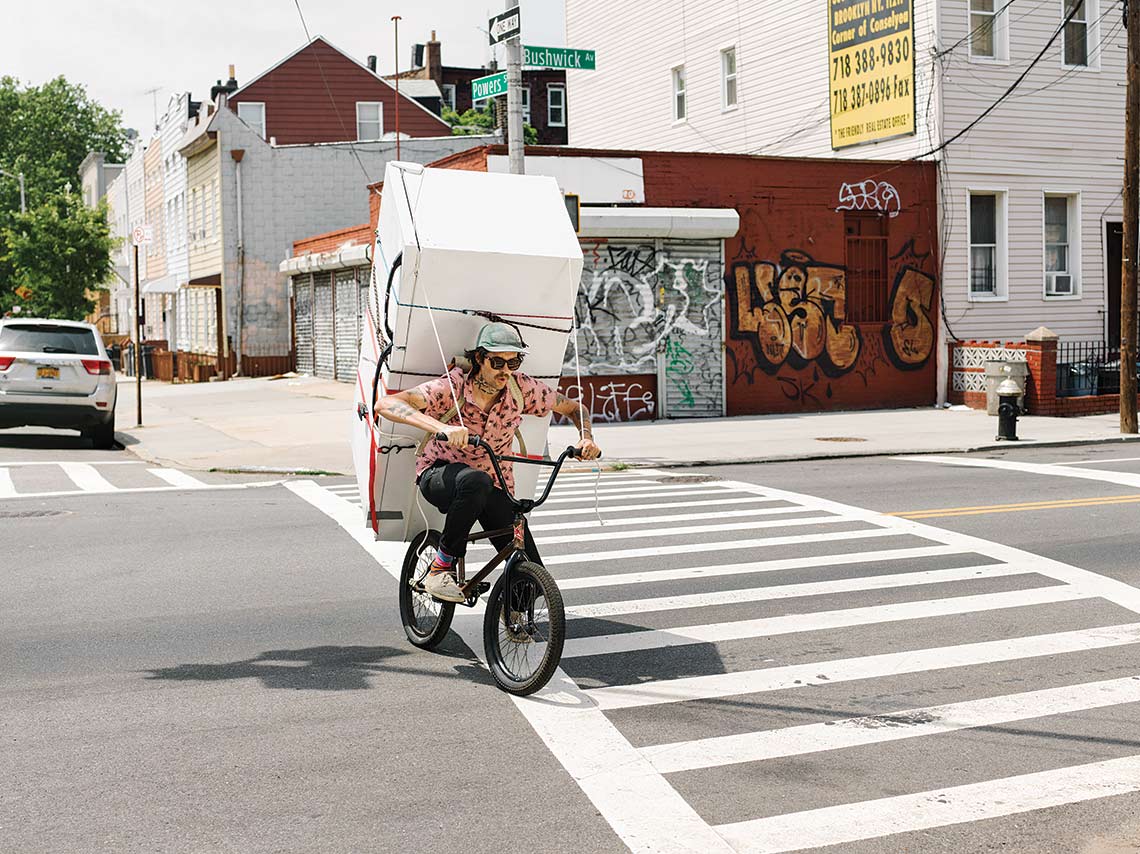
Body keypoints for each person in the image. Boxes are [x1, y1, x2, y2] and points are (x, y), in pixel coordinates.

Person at [375, 321, 601, 602]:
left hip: (494, 485)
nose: (506, 370)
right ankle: (440, 568)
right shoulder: (454, 386)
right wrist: (441, 428)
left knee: (531, 575)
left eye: (513, 362)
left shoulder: (521, 389)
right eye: (497, 362)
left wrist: (586, 438)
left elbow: (575, 408)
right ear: (480, 359)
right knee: (475, 480)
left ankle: (512, 614)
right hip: (439, 474)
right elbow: (386, 404)